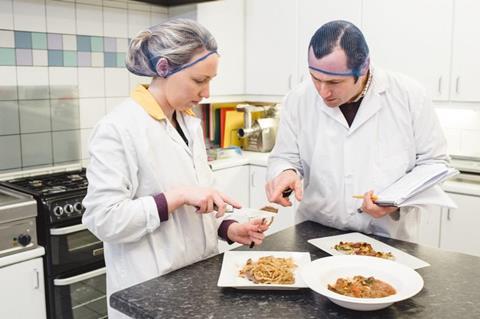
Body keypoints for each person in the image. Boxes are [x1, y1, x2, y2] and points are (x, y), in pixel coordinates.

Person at [82, 19, 269, 319]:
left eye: (211, 80)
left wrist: (228, 227)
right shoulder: (118, 128)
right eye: (198, 81)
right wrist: (176, 196)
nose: (206, 92)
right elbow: (102, 219)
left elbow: (197, 203)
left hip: (196, 282)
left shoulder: (187, 122)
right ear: (164, 68)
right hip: (148, 291)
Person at [266, 20, 452, 241]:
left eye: (334, 82)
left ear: (363, 68)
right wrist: (285, 172)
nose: (323, 92)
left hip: (388, 238)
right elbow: (284, 157)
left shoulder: (409, 96)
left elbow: (435, 164)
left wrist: (395, 202)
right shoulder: (298, 99)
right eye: (315, 78)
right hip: (316, 234)